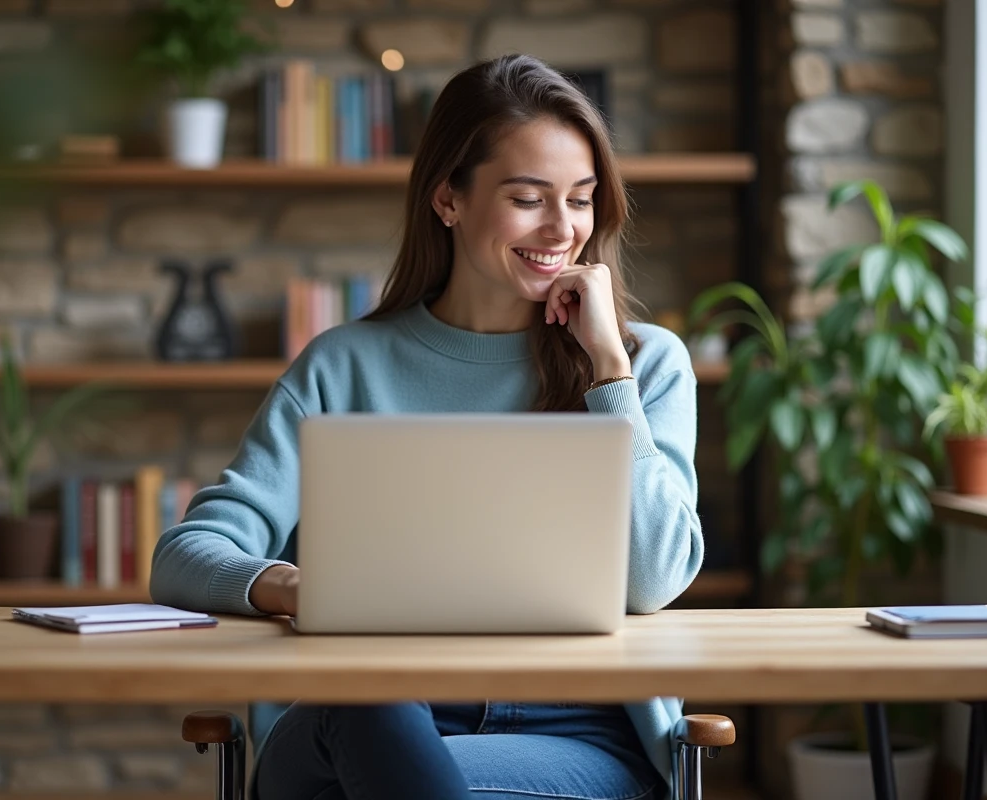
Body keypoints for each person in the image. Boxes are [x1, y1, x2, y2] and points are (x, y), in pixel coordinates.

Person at [152, 53, 703, 800]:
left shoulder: (645, 366)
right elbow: (183, 557)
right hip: (363, 715)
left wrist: (607, 368)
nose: (562, 228)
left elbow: (655, 581)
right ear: (448, 197)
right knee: (368, 695)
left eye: (580, 199)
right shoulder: (343, 366)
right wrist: (290, 586)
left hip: (574, 733)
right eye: (528, 198)